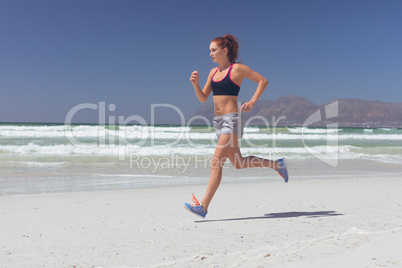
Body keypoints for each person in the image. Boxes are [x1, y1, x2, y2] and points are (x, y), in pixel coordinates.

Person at [184, 34, 288, 218]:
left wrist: (253, 101)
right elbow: (203, 97)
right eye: (209, 50)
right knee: (239, 163)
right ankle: (277, 164)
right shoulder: (212, 73)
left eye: (214, 50)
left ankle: (203, 207)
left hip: (231, 120)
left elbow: (263, 81)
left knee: (216, 162)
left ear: (225, 50)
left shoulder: (237, 69)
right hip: (218, 122)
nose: (210, 54)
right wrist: (195, 84)